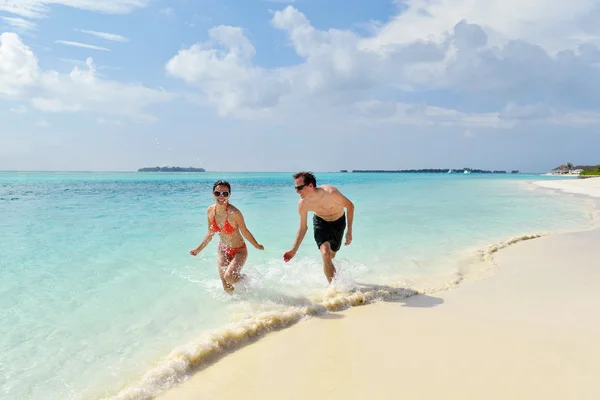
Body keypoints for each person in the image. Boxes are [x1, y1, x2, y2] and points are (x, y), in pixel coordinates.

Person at [190, 180, 264, 294]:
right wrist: (198, 249)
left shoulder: (234, 213)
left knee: (229, 277)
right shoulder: (210, 211)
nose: (221, 196)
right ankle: (238, 305)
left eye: (225, 194)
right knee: (226, 285)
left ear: (229, 195)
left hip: (239, 250)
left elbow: (245, 231)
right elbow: (210, 233)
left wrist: (256, 245)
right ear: (213, 193)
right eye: (217, 193)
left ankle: (246, 280)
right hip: (223, 250)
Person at [283, 171, 354, 284]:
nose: (297, 191)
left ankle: (335, 278)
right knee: (326, 254)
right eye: (295, 188)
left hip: (338, 223)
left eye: (300, 187)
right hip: (321, 223)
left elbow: (350, 206)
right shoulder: (302, 204)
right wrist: (294, 250)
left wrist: (349, 231)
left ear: (310, 185)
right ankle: (334, 289)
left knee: (331, 255)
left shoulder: (331, 193)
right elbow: (303, 228)